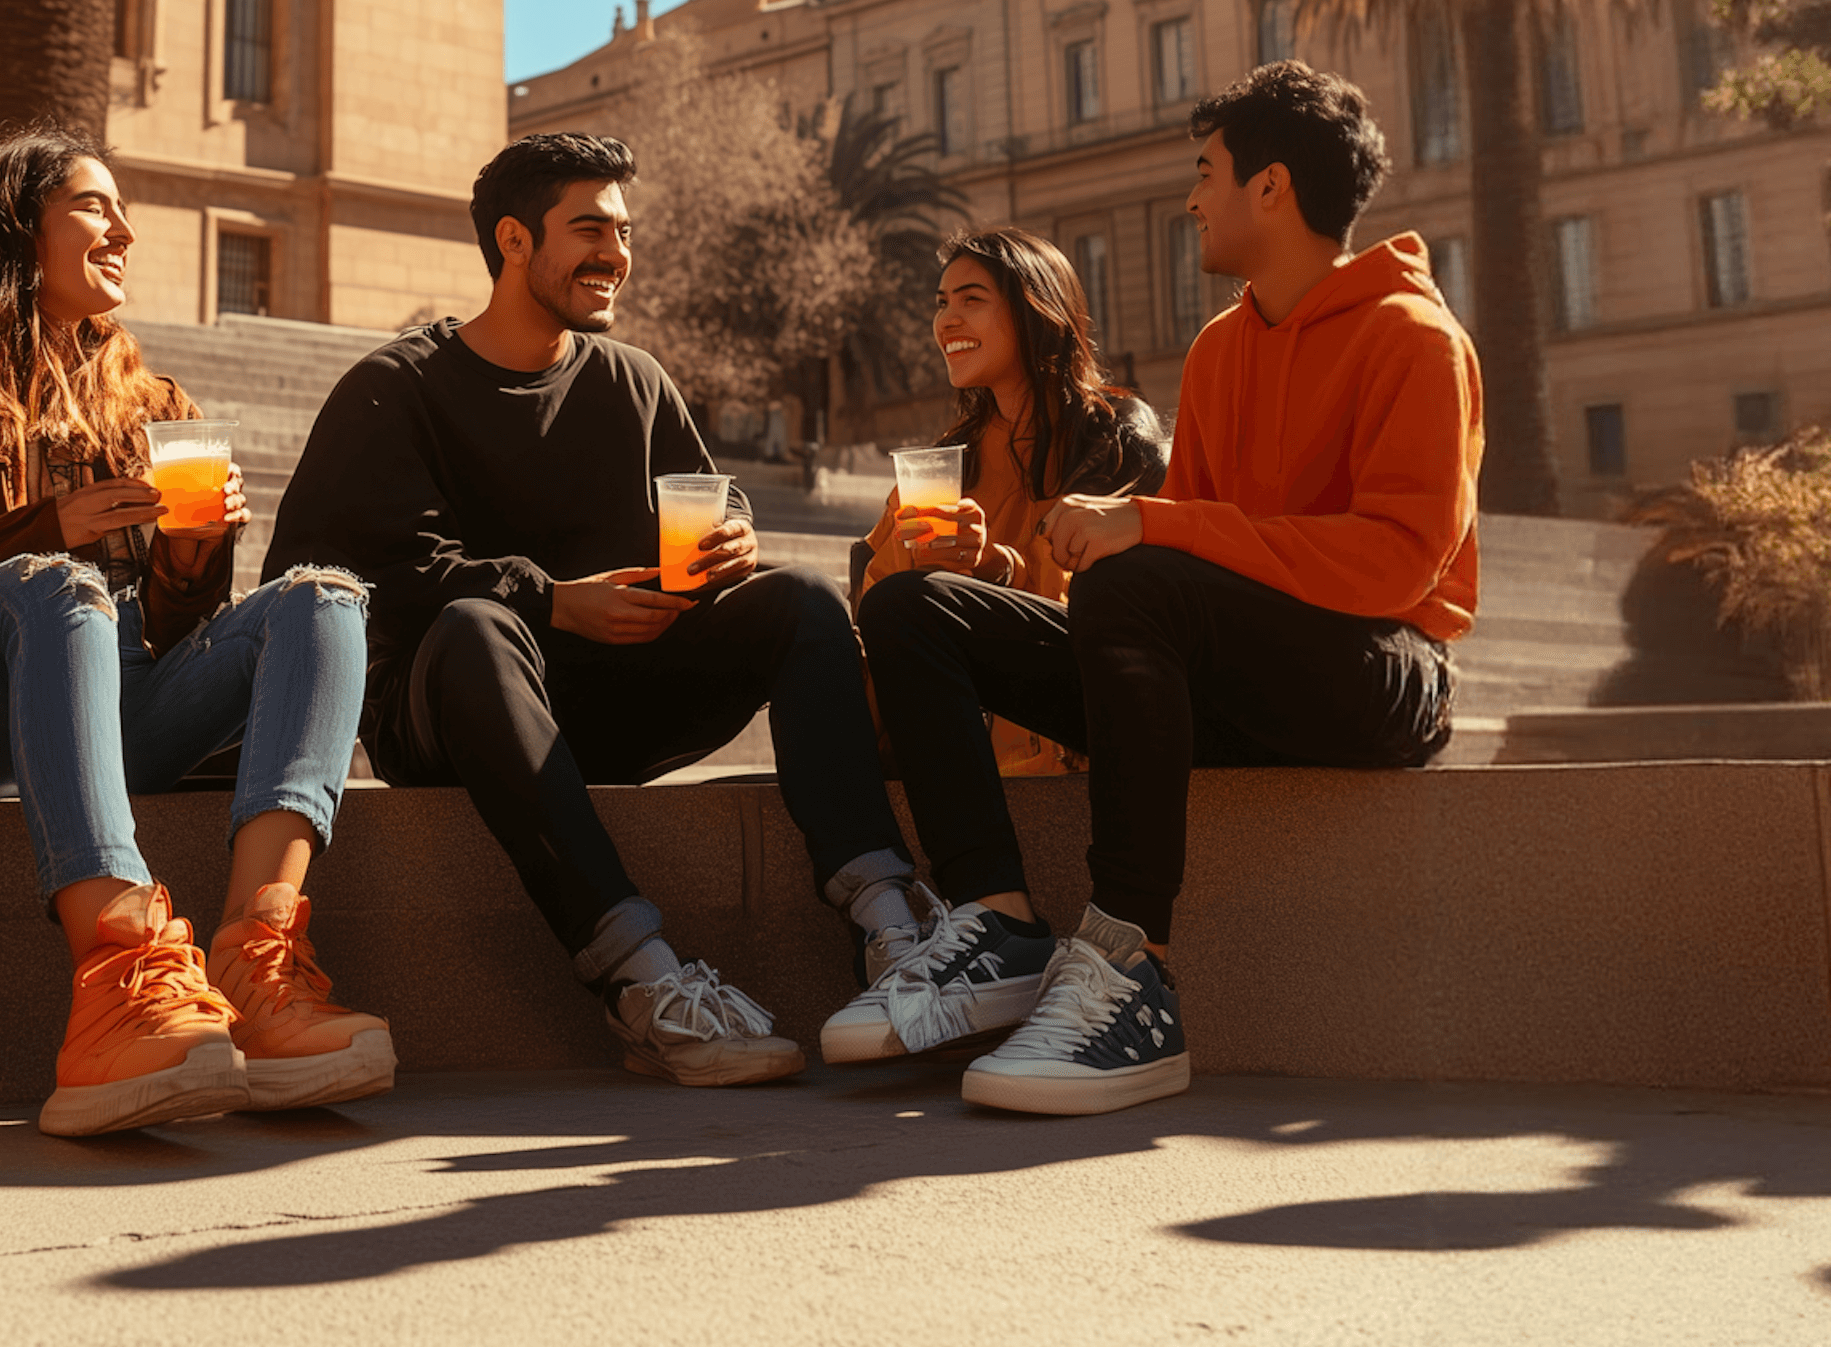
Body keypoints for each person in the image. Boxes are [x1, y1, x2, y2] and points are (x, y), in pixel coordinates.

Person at [858, 63, 1476, 1114]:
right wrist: (1013, 578)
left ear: (1270, 188)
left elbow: (1392, 566)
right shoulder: (1223, 347)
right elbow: (1180, 576)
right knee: (913, 609)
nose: (1191, 197)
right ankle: (1000, 924)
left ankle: (1131, 973)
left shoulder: (1414, 338)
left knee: (1137, 567)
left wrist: (1148, 522)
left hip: (1382, 675)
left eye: (1206, 172)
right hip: (1231, 676)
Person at [265, 132, 929, 1085]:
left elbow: (705, 496)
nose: (616, 253)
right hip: (453, 715)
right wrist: (549, 602)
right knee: (477, 625)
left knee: (803, 599)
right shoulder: (395, 389)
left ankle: (892, 928)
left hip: (614, 702)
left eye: (623, 231)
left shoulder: (634, 381)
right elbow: (331, 575)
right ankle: (641, 979)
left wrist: (732, 535)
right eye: (590, 229)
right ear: (515, 240)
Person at [0, 129, 390, 1135]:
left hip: (113, 706)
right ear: (18, 228)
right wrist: (41, 530)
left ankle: (259, 962)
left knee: (325, 599)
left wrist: (190, 559)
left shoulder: (154, 404)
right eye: (96, 207)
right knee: (56, 590)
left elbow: (177, 626)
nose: (126, 231)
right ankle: (115, 980)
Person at [821, 226, 1166, 1066]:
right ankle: (943, 930)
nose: (946, 320)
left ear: (1035, 310)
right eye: (940, 303)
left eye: (971, 299)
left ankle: (996, 936)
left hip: (1069, 716)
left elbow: (1127, 612)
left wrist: (996, 567)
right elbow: (877, 601)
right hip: (949, 730)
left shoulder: (1118, 436)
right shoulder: (940, 463)